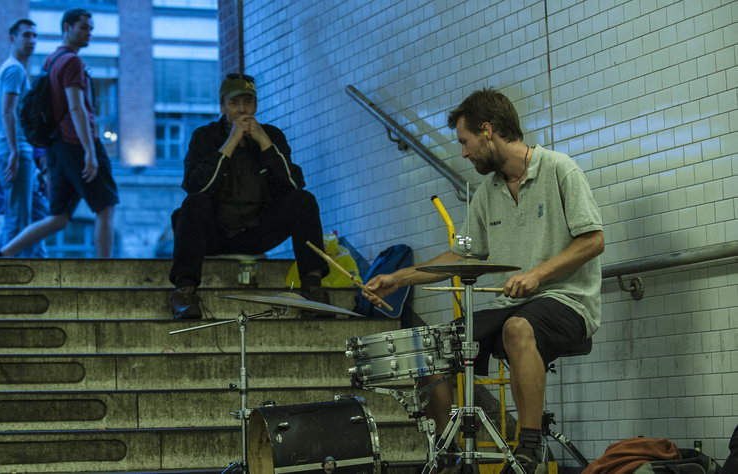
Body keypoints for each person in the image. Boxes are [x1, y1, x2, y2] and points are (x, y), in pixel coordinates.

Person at [363, 88, 604, 474]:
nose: (463, 152)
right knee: (435, 346)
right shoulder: (485, 193)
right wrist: (399, 277)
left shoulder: (560, 169)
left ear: (488, 131)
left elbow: (593, 241)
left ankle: (529, 449)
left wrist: (538, 274)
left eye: (464, 141)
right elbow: (461, 253)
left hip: (568, 302)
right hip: (515, 306)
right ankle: (448, 454)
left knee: (518, 327)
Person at [167, 73, 329, 319]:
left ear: (256, 105)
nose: (242, 110)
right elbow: (197, 187)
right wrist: (230, 144)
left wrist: (264, 142)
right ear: (222, 106)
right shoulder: (204, 137)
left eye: (248, 102)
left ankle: (313, 290)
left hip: (257, 231)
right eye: (234, 103)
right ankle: (185, 292)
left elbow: (294, 184)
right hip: (215, 233)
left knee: (304, 200)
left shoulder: (272, 136)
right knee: (192, 203)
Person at [0, 8, 118, 258]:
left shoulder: (52, 60)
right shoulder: (72, 61)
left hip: (57, 147)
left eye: (91, 28)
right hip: (77, 143)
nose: (88, 33)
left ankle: (3, 254)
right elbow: (76, 107)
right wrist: (90, 152)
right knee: (105, 207)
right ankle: (106, 271)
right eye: (83, 27)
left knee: (58, 217)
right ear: (67, 28)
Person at [0, 18, 41, 257]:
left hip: (11, 149)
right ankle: (4, 282)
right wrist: (15, 152)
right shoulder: (14, 69)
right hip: (13, 149)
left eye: (34, 36)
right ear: (12, 38)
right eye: (26, 35)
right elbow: (7, 111)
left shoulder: (14, 69)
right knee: (18, 221)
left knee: (22, 217)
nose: (31, 41)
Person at [0, 148, 50, 257]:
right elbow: (3, 181)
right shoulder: (0, 139)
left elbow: (46, 168)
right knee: (30, 250)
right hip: (13, 208)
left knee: (15, 250)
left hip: (31, 205)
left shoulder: (21, 139)